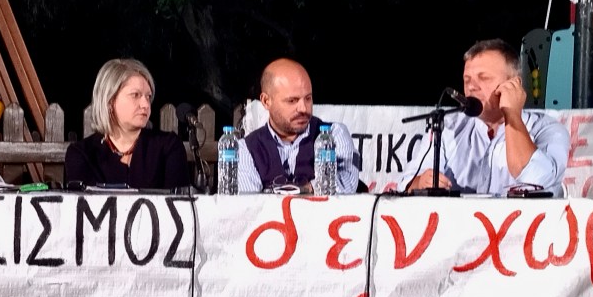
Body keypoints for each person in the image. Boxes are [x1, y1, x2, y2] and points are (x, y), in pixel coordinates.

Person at [400, 39, 570, 197]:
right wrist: (420, 182)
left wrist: (512, 114)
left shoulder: (547, 129)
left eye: (484, 78)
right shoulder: (448, 128)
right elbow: (405, 184)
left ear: (514, 84)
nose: (471, 87)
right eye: (467, 79)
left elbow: (537, 179)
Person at [237, 58, 361, 194]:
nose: (303, 108)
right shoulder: (246, 148)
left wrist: (306, 189)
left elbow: (347, 183)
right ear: (266, 101)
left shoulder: (334, 134)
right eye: (292, 101)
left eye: (308, 98)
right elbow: (249, 202)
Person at [65, 58, 190, 190]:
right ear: (110, 101)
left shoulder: (168, 146)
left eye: (148, 96)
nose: (145, 105)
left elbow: (179, 201)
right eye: (135, 95)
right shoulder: (81, 153)